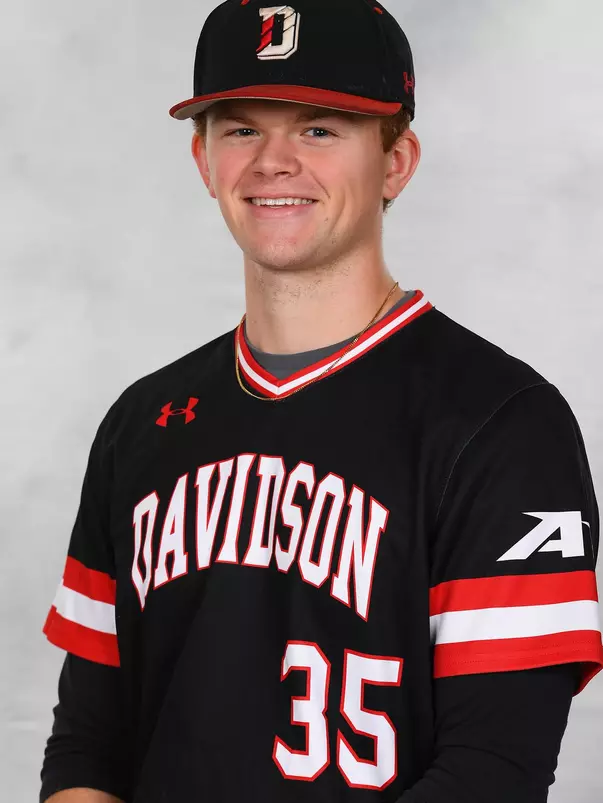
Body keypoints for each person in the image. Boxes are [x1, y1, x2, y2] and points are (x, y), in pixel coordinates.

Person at [40, 1, 603, 801]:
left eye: (318, 129)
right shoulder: (143, 421)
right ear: (203, 160)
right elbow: (88, 741)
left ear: (396, 161)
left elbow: (492, 770)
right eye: (240, 129)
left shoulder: (502, 421)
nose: (272, 162)